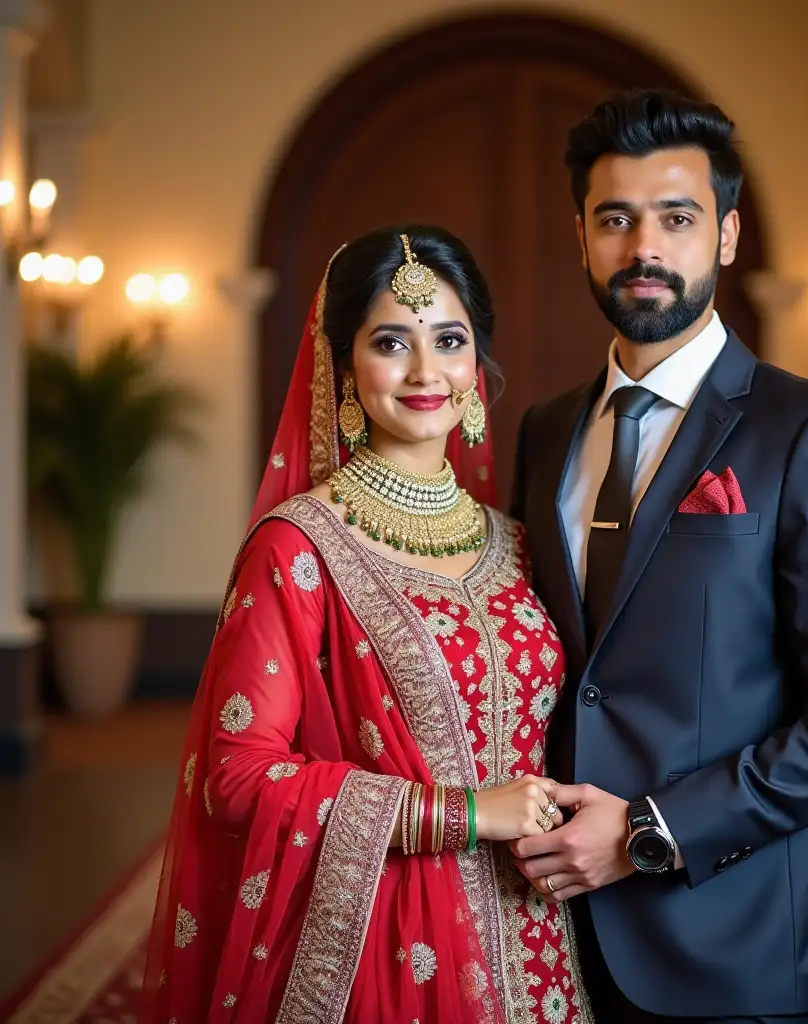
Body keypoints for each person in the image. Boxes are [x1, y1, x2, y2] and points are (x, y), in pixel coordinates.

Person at [508, 89, 808, 1023]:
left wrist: (653, 834)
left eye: (678, 217)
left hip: (730, 932)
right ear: (581, 236)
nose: (643, 247)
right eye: (615, 218)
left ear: (727, 237)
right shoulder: (542, 433)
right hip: (545, 930)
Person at [142, 226, 592, 1023]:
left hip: (541, 935)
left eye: (449, 340)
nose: (426, 371)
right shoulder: (297, 548)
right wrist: (465, 812)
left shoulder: (521, 542)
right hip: (386, 947)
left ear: (475, 366)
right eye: (392, 342)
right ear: (346, 367)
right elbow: (239, 778)